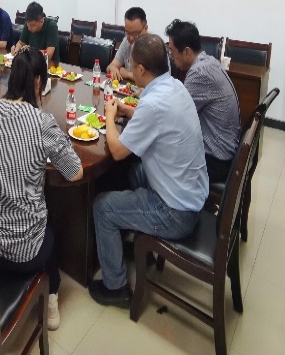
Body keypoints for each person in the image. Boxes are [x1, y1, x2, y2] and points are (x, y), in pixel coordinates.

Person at [89, 34, 208, 308]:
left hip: (175, 212)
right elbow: (156, 119)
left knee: (102, 206)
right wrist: (127, 111)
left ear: (141, 69)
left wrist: (110, 116)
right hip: (190, 193)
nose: (130, 69)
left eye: (132, 65)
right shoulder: (175, 86)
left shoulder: (153, 104)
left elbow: (117, 150)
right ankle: (128, 235)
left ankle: (115, 286)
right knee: (130, 172)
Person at [0, 48, 82, 330]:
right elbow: (75, 171)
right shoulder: (42, 121)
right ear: (37, 81)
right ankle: (52, 294)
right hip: (26, 252)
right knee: (47, 224)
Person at [165, 19, 241, 184]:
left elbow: (174, 115)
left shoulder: (199, 73)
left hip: (216, 160)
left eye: (172, 51)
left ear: (186, 52)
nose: (171, 56)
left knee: (157, 150)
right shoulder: (209, 61)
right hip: (225, 149)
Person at [107, 7, 149, 82]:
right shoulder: (126, 42)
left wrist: (127, 74)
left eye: (135, 34)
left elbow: (152, 81)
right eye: (127, 33)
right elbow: (111, 66)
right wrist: (113, 68)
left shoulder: (154, 48)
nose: (131, 38)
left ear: (145, 29)